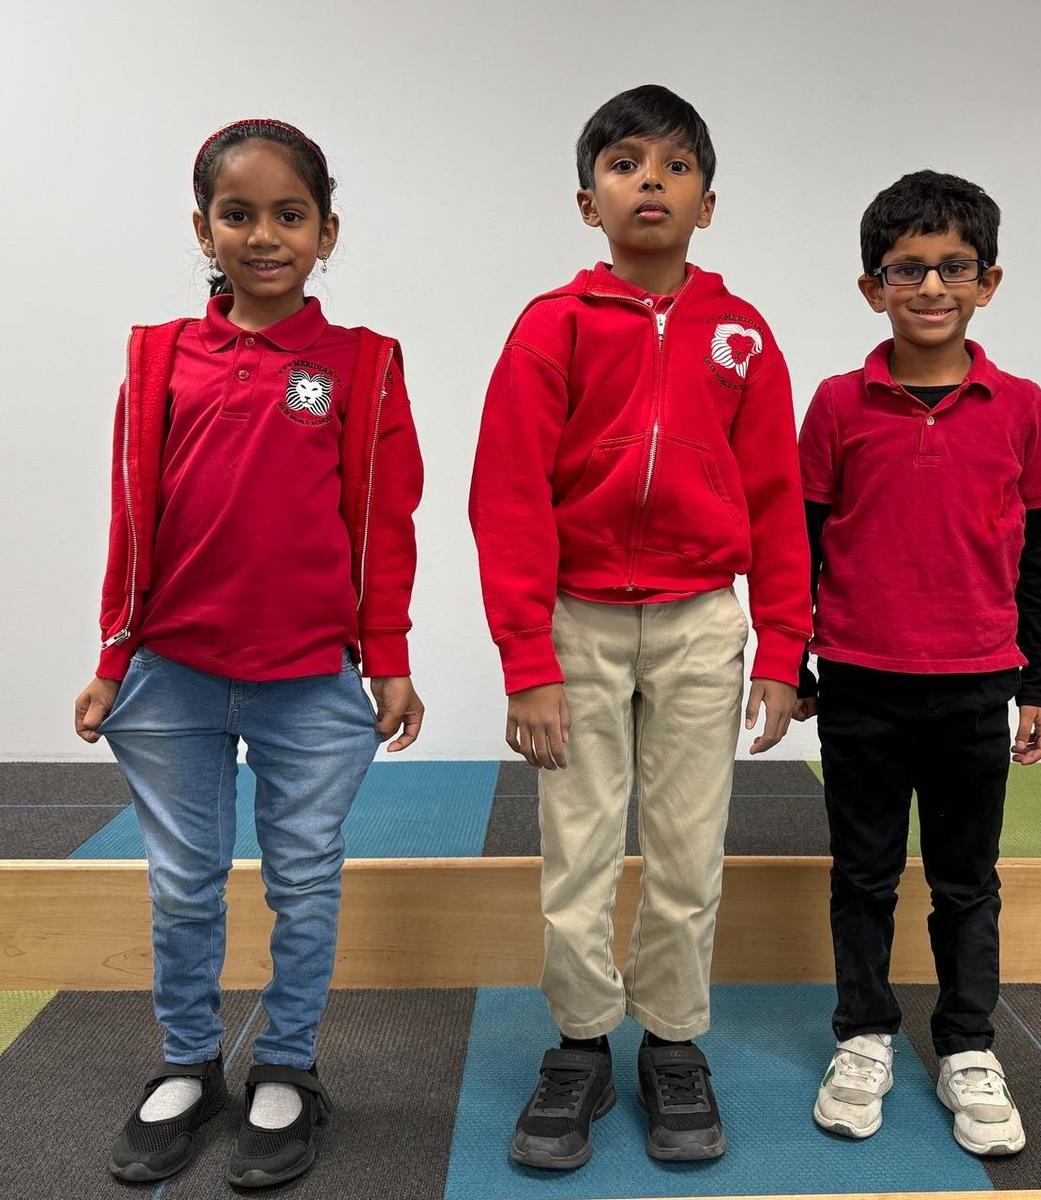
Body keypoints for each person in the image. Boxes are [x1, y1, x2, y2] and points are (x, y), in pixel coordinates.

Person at [73, 118, 424, 1189]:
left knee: (304, 881)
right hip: (172, 671)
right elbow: (133, 515)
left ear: (326, 233)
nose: (263, 235)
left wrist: (389, 652)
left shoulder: (360, 365)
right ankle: (188, 1062)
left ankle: (287, 1067)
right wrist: (111, 651)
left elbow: (384, 519)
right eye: (238, 214)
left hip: (311, 679)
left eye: (289, 215)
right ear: (202, 227)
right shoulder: (160, 357)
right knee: (183, 884)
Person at [469, 84, 811, 1169]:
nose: (650, 180)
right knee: (574, 849)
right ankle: (578, 1043)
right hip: (575, 627)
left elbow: (777, 501)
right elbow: (509, 497)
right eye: (625, 163)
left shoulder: (742, 336)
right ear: (588, 202)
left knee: (686, 848)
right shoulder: (551, 328)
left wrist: (785, 650)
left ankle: (672, 1042)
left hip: (704, 623)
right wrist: (528, 663)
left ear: (708, 203)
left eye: (675, 165)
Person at [798, 170, 1041, 1156]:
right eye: (906, 269)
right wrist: (793, 658)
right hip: (861, 683)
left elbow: (1040, 557)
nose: (931, 286)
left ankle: (965, 1044)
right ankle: (864, 1032)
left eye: (954, 266)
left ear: (989, 280)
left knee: (967, 878)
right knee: (863, 873)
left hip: (975, 685)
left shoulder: (1021, 407)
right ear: (873, 287)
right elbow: (803, 544)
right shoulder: (835, 405)